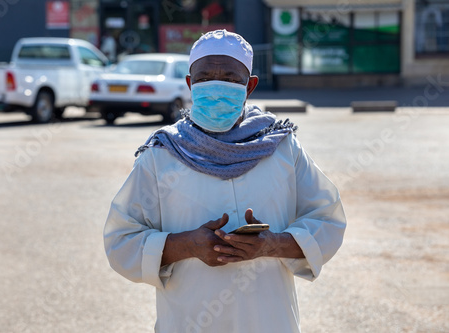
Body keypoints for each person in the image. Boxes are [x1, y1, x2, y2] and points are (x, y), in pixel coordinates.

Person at [104, 30, 346, 333]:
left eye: (230, 79)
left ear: (250, 86)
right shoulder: (162, 155)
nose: (217, 87)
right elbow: (120, 240)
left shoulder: (282, 148)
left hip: (270, 322)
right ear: (190, 84)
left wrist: (270, 245)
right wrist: (185, 246)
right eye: (205, 78)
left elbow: (328, 220)